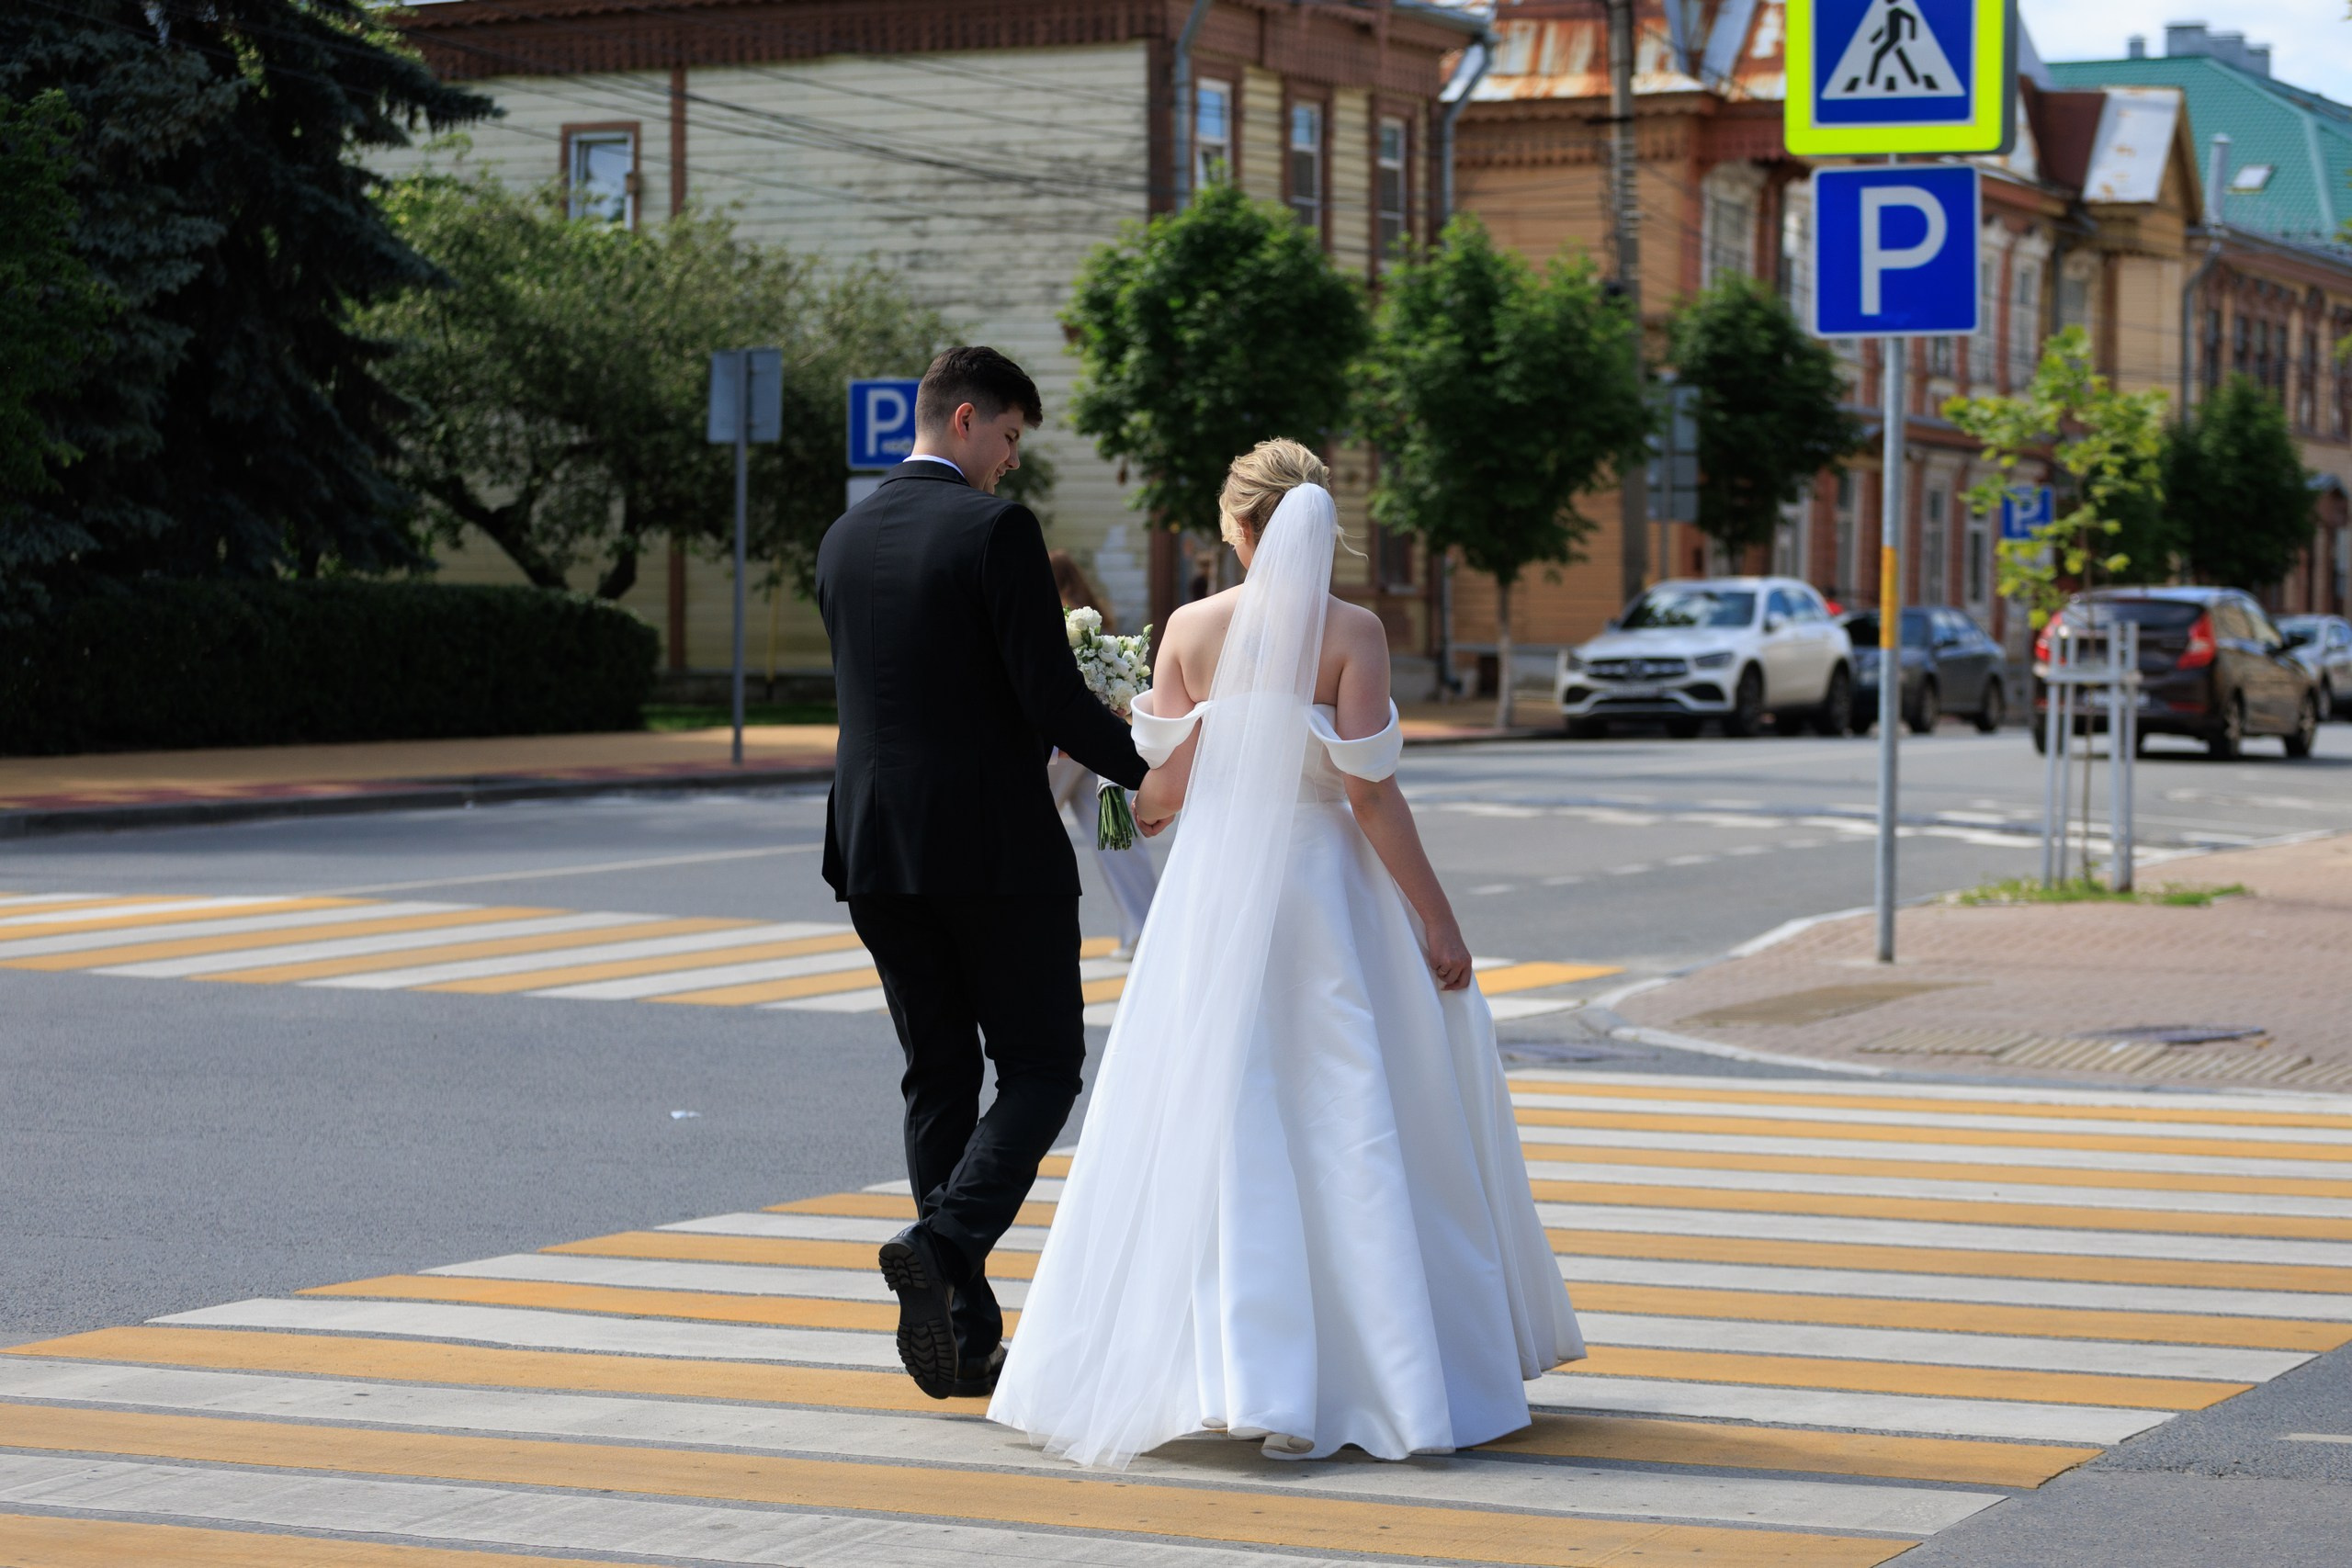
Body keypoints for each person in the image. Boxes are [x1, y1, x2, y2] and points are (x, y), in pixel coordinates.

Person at [989, 439, 1583, 1467]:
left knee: (1217, 1110)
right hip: (1332, 899)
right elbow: (1369, 791)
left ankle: (1226, 1369)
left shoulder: (1188, 629)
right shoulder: (1353, 631)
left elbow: (1158, 798)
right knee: (1351, 1116)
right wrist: (1437, 919)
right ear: (1319, 523)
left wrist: (1138, 798)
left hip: (1214, 904)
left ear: (1236, 526)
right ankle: (1381, 1370)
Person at [814, 346, 1150, 1401]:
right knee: (1045, 1067)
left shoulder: (843, 534)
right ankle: (948, 1246)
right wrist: (1160, 770)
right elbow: (1047, 696)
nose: (1010, 465)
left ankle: (963, 1337)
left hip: (872, 850)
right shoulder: (994, 530)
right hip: (992, 852)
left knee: (938, 1078)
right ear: (966, 419)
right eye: (1008, 440)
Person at [1046, 550, 1160, 956]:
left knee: (1032, 821)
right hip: (1096, 742)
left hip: (1070, 744)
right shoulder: (1094, 617)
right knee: (1114, 836)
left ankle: (1143, 929)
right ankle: (1145, 928)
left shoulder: (1061, 618)